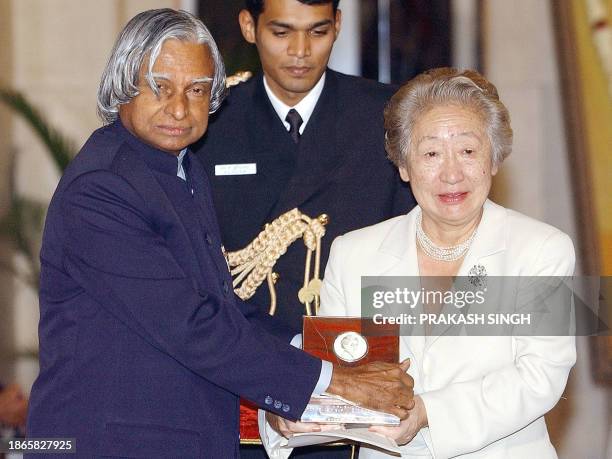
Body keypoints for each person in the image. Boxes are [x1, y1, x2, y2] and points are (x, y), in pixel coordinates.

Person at [25, 9, 416, 458]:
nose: (179, 108)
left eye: (196, 90)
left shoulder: (180, 168)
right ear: (121, 86)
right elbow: (190, 325)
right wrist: (336, 381)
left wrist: (325, 355)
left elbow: (220, 304)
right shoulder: (103, 188)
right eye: (159, 86)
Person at [265, 68, 577, 458]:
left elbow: (540, 376)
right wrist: (292, 412)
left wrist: (427, 413)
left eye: (468, 151)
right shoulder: (353, 253)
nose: (451, 173)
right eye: (430, 153)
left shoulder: (541, 250)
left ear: (494, 159)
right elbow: (339, 378)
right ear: (403, 166)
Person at [195, 0, 416, 335]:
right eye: (281, 32)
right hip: (249, 350)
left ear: (338, 25)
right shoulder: (211, 122)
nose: (301, 50)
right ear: (249, 27)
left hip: (359, 344)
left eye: (318, 31)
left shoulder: (385, 117)